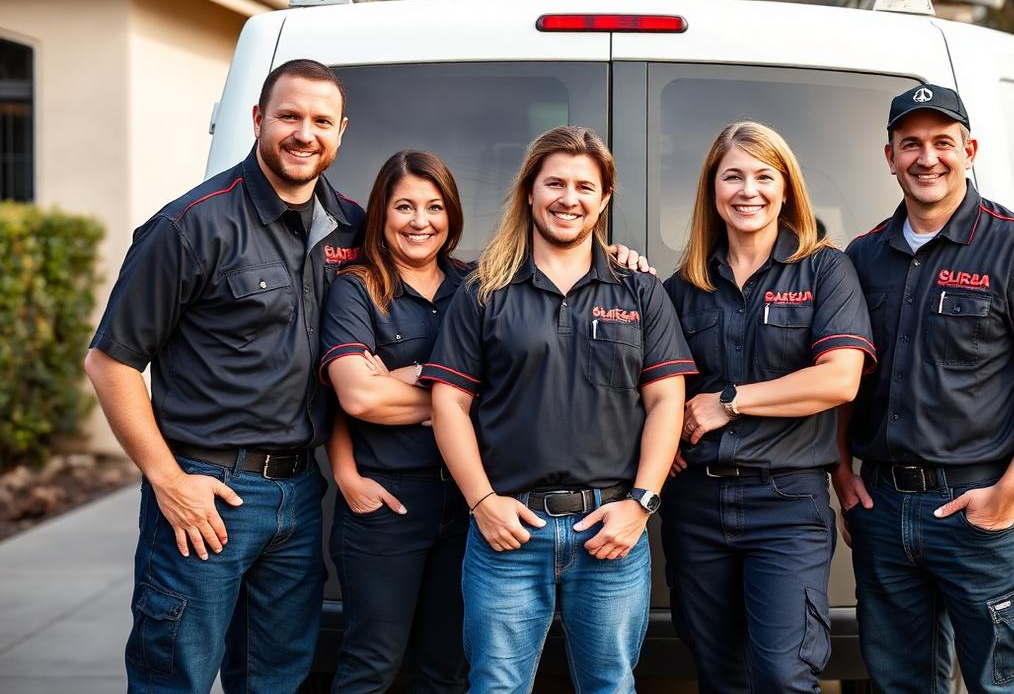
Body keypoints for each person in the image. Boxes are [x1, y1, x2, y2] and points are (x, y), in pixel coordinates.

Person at [84, 59, 364, 693]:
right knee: (174, 678)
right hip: (206, 492)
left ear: (341, 131)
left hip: (300, 494)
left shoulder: (350, 223)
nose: (305, 133)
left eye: (322, 121)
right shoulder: (190, 225)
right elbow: (110, 361)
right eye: (289, 116)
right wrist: (168, 481)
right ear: (258, 119)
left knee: (278, 680)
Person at [837, 83, 1014, 693]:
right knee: (898, 684)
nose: (927, 158)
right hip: (882, 509)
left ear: (969, 150)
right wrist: (840, 472)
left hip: (975, 508)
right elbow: (846, 375)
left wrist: (1012, 490)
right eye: (911, 144)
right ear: (890, 157)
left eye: (943, 142)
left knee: (1000, 684)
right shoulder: (863, 256)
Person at [420, 125, 696, 693]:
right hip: (509, 533)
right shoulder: (485, 289)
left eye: (584, 187)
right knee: (495, 686)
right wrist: (482, 503)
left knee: (610, 685)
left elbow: (667, 399)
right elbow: (448, 402)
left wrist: (641, 505)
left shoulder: (639, 290)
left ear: (604, 198)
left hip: (611, 531)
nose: (569, 199)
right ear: (529, 191)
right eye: (555, 184)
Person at [659, 121, 876, 693]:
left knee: (783, 675)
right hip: (696, 505)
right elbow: (652, 389)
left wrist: (730, 402)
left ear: (786, 188)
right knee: (719, 674)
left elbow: (840, 379)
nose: (747, 190)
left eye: (763, 176)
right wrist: (659, 442)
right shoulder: (682, 287)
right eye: (732, 176)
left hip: (786, 503)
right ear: (712, 189)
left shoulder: (825, 269)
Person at [318, 150, 470, 693]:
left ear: (451, 214)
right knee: (371, 667)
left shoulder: (478, 286)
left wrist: (410, 374)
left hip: (470, 503)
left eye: (434, 206)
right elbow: (357, 398)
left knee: (448, 671)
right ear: (382, 212)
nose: (419, 221)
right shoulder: (356, 289)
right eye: (404, 206)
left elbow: (510, 387)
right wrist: (458, 396)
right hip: (387, 503)